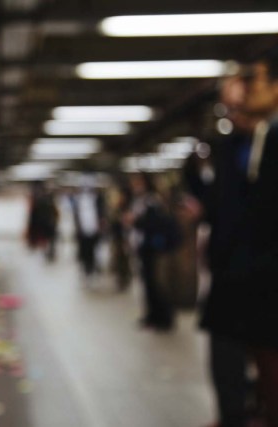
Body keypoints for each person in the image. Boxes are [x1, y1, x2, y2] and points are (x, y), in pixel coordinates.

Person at [200, 51, 278, 427]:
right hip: (241, 272)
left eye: (255, 82)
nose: (245, 93)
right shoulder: (242, 144)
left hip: (262, 273)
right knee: (235, 353)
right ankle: (238, 413)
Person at [124, 172, 177, 332]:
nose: (135, 186)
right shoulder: (138, 201)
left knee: (157, 284)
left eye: (138, 182)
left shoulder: (152, 201)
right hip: (142, 247)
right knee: (147, 284)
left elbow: (155, 224)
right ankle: (151, 315)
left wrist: (136, 221)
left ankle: (163, 318)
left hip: (153, 248)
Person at [70, 178, 105, 277]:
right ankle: (87, 269)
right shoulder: (79, 200)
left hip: (94, 231)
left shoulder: (97, 199)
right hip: (83, 231)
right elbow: (77, 216)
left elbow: (100, 215)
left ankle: (93, 268)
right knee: (85, 251)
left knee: (94, 250)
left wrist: (100, 225)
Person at [25, 180, 59, 262]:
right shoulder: (42, 200)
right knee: (49, 240)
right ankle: (49, 253)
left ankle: (49, 253)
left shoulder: (41, 200)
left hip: (47, 223)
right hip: (47, 223)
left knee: (50, 240)